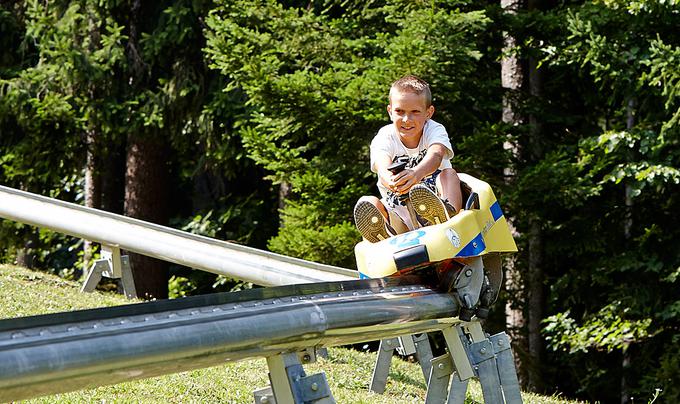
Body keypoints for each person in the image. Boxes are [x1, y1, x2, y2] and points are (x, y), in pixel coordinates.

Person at [354, 75, 463, 243]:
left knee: (449, 174)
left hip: (434, 204)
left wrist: (416, 174)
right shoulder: (385, 136)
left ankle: (448, 218)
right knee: (367, 202)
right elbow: (382, 163)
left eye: (415, 112)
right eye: (400, 112)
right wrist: (391, 180)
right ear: (390, 111)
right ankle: (384, 237)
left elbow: (436, 154)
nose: (406, 119)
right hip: (399, 214)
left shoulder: (434, 130)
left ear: (428, 113)